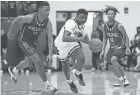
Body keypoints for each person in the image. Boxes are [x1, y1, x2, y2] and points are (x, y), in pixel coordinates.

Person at [7, 1, 57, 94]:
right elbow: (18, 19)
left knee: (28, 63)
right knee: (37, 60)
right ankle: (48, 85)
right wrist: (11, 32)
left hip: (33, 42)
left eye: (49, 10)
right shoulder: (30, 18)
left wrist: (50, 54)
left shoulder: (48, 23)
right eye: (45, 10)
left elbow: (50, 39)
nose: (48, 12)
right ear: (39, 10)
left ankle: (14, 70)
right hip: (23, 40)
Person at [54, 9, 89, 93]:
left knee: (81, 58)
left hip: (72, 42)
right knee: (65, 65)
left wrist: (93, 44)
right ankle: (70, 82)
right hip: (61, 44)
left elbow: (86, 39)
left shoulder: (83, 26)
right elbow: (65, 38)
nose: (84, 20)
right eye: (82, 18)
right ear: (76, 16)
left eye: (85, 18)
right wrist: (80, 38)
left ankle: (77, 73)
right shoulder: (71, 23)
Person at [100, 5, 131, 87]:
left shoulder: (119, 26)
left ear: (114, 15)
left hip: (120, 46)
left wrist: (127, 47)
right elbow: (104, 38)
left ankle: (125, 79)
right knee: (109, 66)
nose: (110, 15)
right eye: (108, 14)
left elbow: (126, 36)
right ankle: (120, 78)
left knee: (113, 60)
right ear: (106, 15)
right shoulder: (104, 26)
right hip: (112, 47)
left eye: (112, 14)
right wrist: (103, 50)